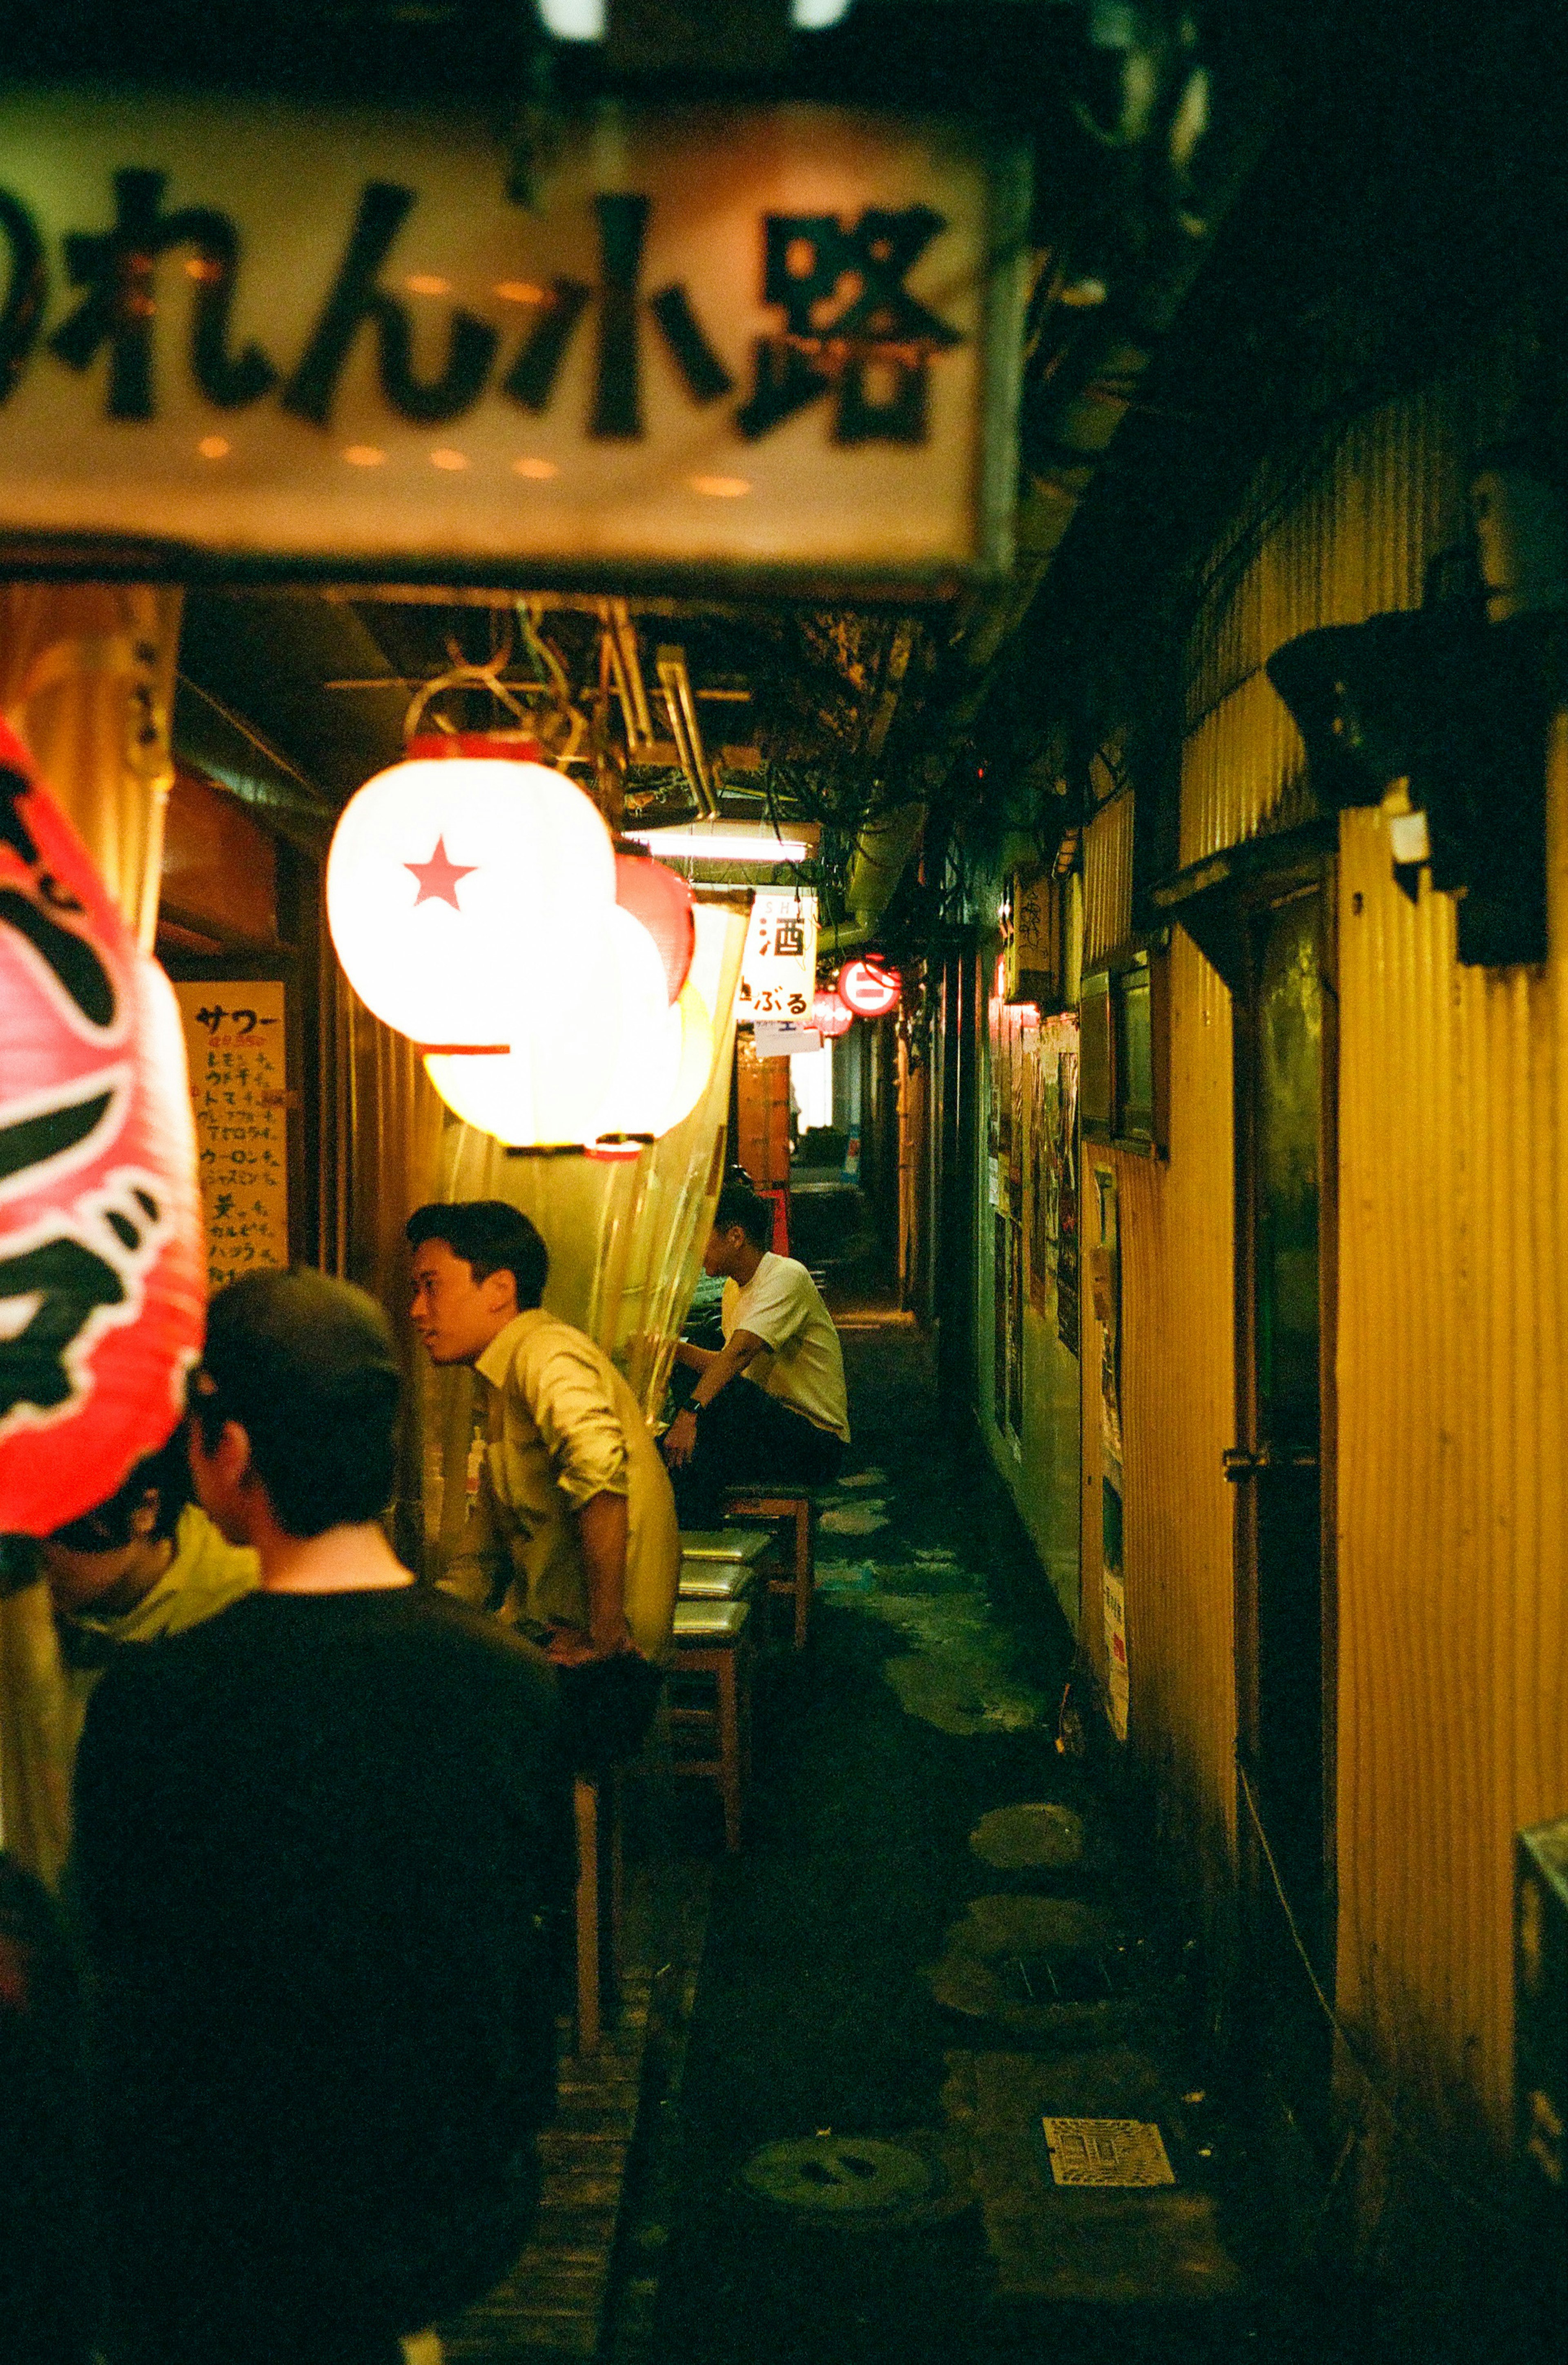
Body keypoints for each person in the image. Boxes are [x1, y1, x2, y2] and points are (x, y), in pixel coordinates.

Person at [72, 1270, 565, 2365]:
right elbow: (529, 1973)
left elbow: (127, 2007)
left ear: (230, 1449)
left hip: (231, 2235)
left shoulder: (157, 1703)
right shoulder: (513, 1682)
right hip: (454, 2211)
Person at [407, 1199, 677, 1766]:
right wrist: (415, 1623)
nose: (416, 1309)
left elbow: (600, 1469)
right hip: (557, 1640)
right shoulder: (502, 1379)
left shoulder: (543, 1351)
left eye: (431, 1286)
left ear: (499, 1289)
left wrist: (604, 1636)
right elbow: (481, 1557)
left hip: (607, 1668)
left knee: (407, 1744)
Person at [42, 1425, 258, 1771]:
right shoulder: (39, 1608)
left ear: (144, 1509)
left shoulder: (240, 1601)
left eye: (53, 1533)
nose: (35, 1563)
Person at [663, 1171, 849, 1530]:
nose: (696, 1250)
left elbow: (740, 1353)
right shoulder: (734, 1291)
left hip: (815, 1441)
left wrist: (689, 1414)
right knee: (682, 1453)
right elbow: (726, 1365)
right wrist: (670, 1349)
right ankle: (696, 1536)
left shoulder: (786, 1276)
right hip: (769, 1426)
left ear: (736, 1237)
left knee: (705, 1424)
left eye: (704, 1238)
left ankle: (698, 1539)